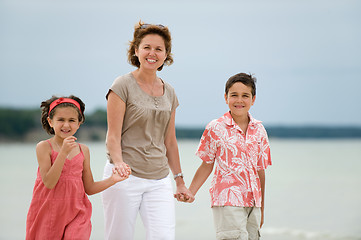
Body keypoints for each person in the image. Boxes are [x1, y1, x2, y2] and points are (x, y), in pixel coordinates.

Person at [101, 21, 192, 240]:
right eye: (147, 47)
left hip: (159, 178)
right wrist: (119, 163)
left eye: (159, 49)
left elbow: (170, 141)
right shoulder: (122, 85)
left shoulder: (170, 92)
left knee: (164, 236)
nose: (152, 53)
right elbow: (112, 135)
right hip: (124, 177)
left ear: (166, 54)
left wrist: (179, 180)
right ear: (136, 51)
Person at [175, 73, 272, 240]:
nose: (239, 100)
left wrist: (261, 208)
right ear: (226, 97)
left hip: (253, 203)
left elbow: (260, 170)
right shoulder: (215, 128)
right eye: (234, 95)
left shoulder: (259, 130)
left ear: (253, 99)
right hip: (227, 200)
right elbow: (206, 164)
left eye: (245, 96)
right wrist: (191, 191)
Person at [26, 96, 130, 240]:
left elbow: (89, 188)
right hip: (48, 212)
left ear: (79, 123)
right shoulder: (44, 147)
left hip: (77, 213)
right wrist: (63, 153)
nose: (66, 125)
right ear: (50, 122)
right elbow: (49, 183)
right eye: (61, 120)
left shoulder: (84, 150)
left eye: (72, 120)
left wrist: (113, 179)